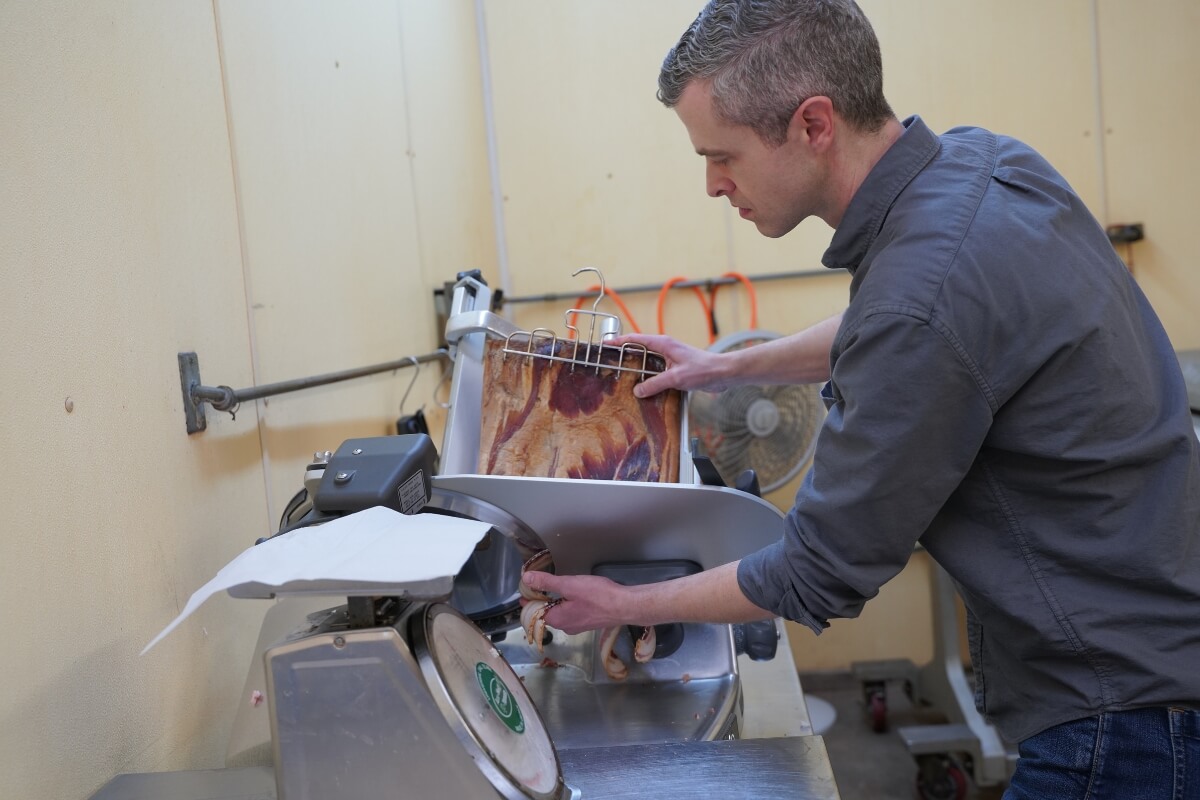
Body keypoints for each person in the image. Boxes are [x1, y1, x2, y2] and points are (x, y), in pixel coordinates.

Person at [523, 1, 1200, 797]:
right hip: (1161, 656)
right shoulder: (983, 164)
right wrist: (724, 369)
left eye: (723, 155)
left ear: (813, 124)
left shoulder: (920, 297)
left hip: (1119, 716)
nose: (711, 184)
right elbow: (894, 320)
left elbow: (817, 572)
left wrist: (622, 602)